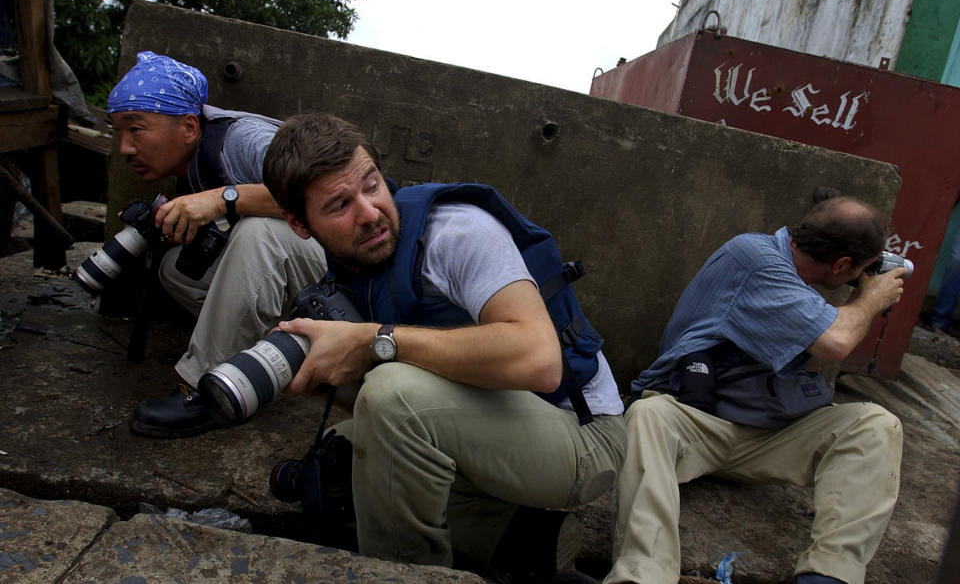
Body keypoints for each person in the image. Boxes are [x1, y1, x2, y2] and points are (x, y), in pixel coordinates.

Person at [260, 112, 627, 581]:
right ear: (299, 223)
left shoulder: (455, 233)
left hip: (583, 431)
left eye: (372, 185)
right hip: (508, 420)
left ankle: (413, 574)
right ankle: (518, 543)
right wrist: (325, 371)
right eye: (339, 206)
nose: (370, 212)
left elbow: (540, 360)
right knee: (339, 463)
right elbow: (400, 397)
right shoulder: (353, 267)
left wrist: (374, 342)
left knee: (392, 399)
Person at [605, 196, 906, 584]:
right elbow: (836, 343)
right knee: (647, 415)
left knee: (877, 424)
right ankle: (643, 575)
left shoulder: (800, 288)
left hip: (768, 435)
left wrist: (856, 301)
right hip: (699, 426)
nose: (858, 278)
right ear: (843, 265)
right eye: (859, 269)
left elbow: (812, 358)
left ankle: (828, 576)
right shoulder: (754, 257)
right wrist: (871, 298)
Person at [106, 51, 327, 438]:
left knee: (260, 233)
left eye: (136, 129)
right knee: (178, 265)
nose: (124, 147)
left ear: (189, 127)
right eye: (117, 132)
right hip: (305, 288)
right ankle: (272, 357)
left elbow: (322, 196)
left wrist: (222, 199)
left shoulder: (245, 140)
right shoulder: (193, 162)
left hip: (348, 283)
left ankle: (209, 392)